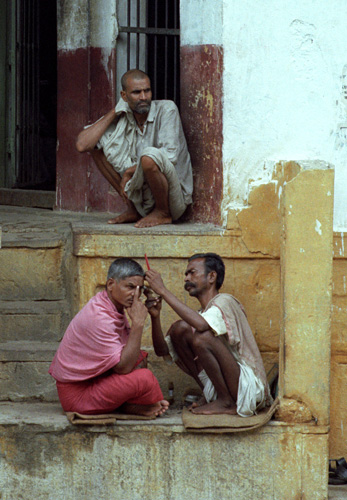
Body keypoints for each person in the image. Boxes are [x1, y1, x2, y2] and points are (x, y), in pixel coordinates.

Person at [145, 253, 272, 416]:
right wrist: (155, 316)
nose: (186, 278)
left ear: (212, 277)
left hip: (248, 390)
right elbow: (162, 351)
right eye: (186, 274)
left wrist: (162, 290)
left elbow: (202, 325)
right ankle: (214, 397)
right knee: (180, 329)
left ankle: (225, 401)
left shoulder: (225, 301)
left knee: (202, 337)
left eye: (192, 272)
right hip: (229, 387)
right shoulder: (201, 315)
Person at [49, 258, 169, 417]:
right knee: (145, 378)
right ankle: (132, 406)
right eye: (130, 287)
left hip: (96, 382)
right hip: (77, 397)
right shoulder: (99, 316)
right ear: (111, 284)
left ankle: (130, 406)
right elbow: (123, 368)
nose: (136, 295)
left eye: (140, 289)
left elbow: (156, 352)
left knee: (140, 358)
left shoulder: (112, 306)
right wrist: (138, 324)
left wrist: (154, 317)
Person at [76, 69, 193, 228]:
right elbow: (83, 145)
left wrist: (130, 172)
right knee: (97, 146)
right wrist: (114, 112)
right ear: (124, 96)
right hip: (143, 200)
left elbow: (170, 157)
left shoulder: (167, 109)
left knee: (148, 157)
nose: (144, 97)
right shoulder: (124, 117)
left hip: (174, 201)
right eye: (136, 92)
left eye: (147, 91)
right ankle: (132, 209)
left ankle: (162, 213)